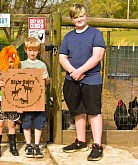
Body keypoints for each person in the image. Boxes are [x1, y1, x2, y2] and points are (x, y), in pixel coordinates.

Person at [59, 4, 105, 161]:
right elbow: (62, 57)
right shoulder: (68, 37)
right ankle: (81, 141)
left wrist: (81, 71)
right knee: (77, 110)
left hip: (91, 79)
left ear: (87, 16)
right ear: (72, 19)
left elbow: (97, 56)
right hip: (71, 79)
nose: (79, 19)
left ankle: (97, 145)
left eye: (81, 16)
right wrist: (73, 71)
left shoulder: (95, 34)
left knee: (93, 111)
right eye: (75, 17)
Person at [20, 37, 49, 158]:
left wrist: (45, 78)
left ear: (38, 51)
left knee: (39, 122)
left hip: (39, 100)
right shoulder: (21, 64)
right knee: (26, 122)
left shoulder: (42, 65)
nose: (32, 53)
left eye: (35, 50)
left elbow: (46, 83)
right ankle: (28, 145)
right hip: (25, 100)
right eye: (30, 50)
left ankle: (36, 145)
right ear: (25, 50)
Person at [0, 45, 21, 158]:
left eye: (13, 62)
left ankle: (12, 146)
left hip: (13, 101)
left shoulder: (18, 72)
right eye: (9, 62)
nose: (11, 64)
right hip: (1, 101)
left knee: (12, 123)